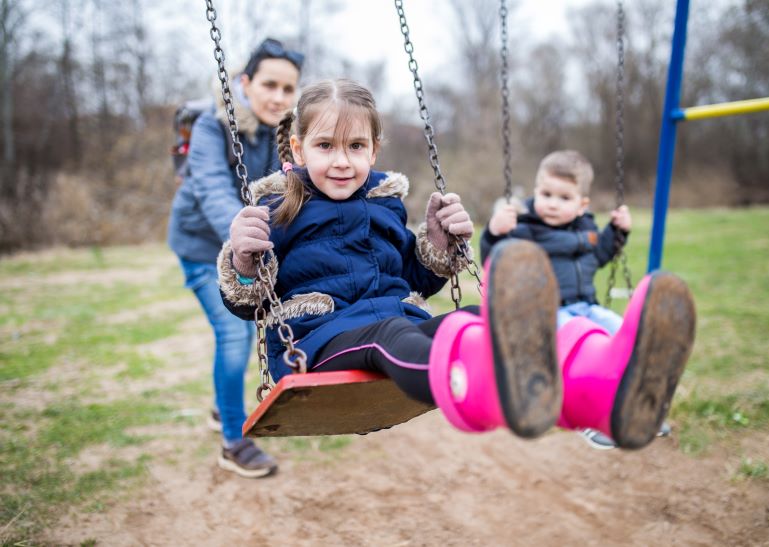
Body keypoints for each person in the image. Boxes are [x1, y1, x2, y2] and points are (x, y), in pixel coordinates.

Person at [219, 79, 696, 451]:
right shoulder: (277, 210)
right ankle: (492, 392)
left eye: (356, 147)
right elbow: (248, 302)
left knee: (484, 320)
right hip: (317, 341)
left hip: (392, 318)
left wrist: (439, 245)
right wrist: (242, 258)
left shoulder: (385, 205)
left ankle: (605, 391)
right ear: (299, 150)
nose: (342, 162)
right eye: (325, 146)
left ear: (374, 149)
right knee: (393, 338)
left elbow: (413, 278)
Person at [167, 38, 303, 478]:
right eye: (269, 85)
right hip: (202, 247)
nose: (278, 97)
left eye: (288, 89)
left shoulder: (285, 133)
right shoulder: (213, 126)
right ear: (245, 82)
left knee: (251, 328)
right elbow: (212, 189)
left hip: (247, 250)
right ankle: (232, 442)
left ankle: (220, 406)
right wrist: (247, 238)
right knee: (233, 334)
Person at [480, 149, 671, 449]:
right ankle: (589, 416)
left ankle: (637, 405)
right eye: (546, 194)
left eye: (564, 198)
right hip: (547, 314)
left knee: (625, 333)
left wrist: (618, 232)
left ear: (582, 205)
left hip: (587, 307)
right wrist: (493, 233)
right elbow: (495, 264)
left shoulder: (587, 230)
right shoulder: (523, 229)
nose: (553, 203)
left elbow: (600, 256)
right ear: (535, 193)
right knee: (584, 344)